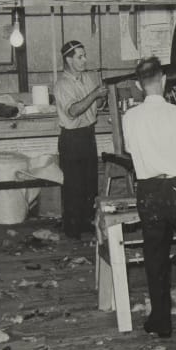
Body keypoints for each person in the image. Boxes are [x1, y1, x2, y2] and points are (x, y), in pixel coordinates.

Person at [122, 56, 176, 338]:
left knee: (155, 256)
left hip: (149, 191)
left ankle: (160, 321)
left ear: (138, 86)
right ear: (163, 80)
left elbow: (130, 149)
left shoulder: (129, 117)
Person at [53, 40, 108, 239]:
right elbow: (74, 111)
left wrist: (102, 96)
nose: (85, 60)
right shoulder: (62, 84)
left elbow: (97, 106)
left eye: (85, 55)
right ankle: (72, 230)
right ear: (69, 60)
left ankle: (87, 224)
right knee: (74, 185)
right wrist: (94, 94)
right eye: (80, 57)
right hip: (72, 139)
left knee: (89, 182)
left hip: (88, 135)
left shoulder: (88, 78)